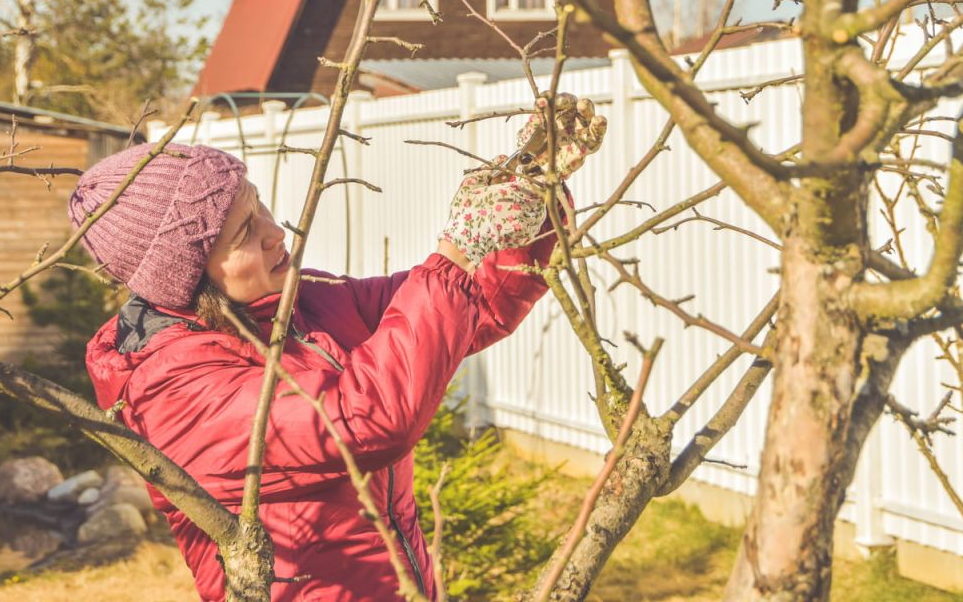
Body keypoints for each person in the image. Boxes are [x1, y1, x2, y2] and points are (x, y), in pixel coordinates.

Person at [73, 95, 605, 602]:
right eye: (243, 233)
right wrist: (459, 245)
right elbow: (362, 421)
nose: (275, 231)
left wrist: (530, 189)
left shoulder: (301, 303)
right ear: (184, 275)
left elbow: (467, 310)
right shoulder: (171, 388)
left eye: (258, 205)